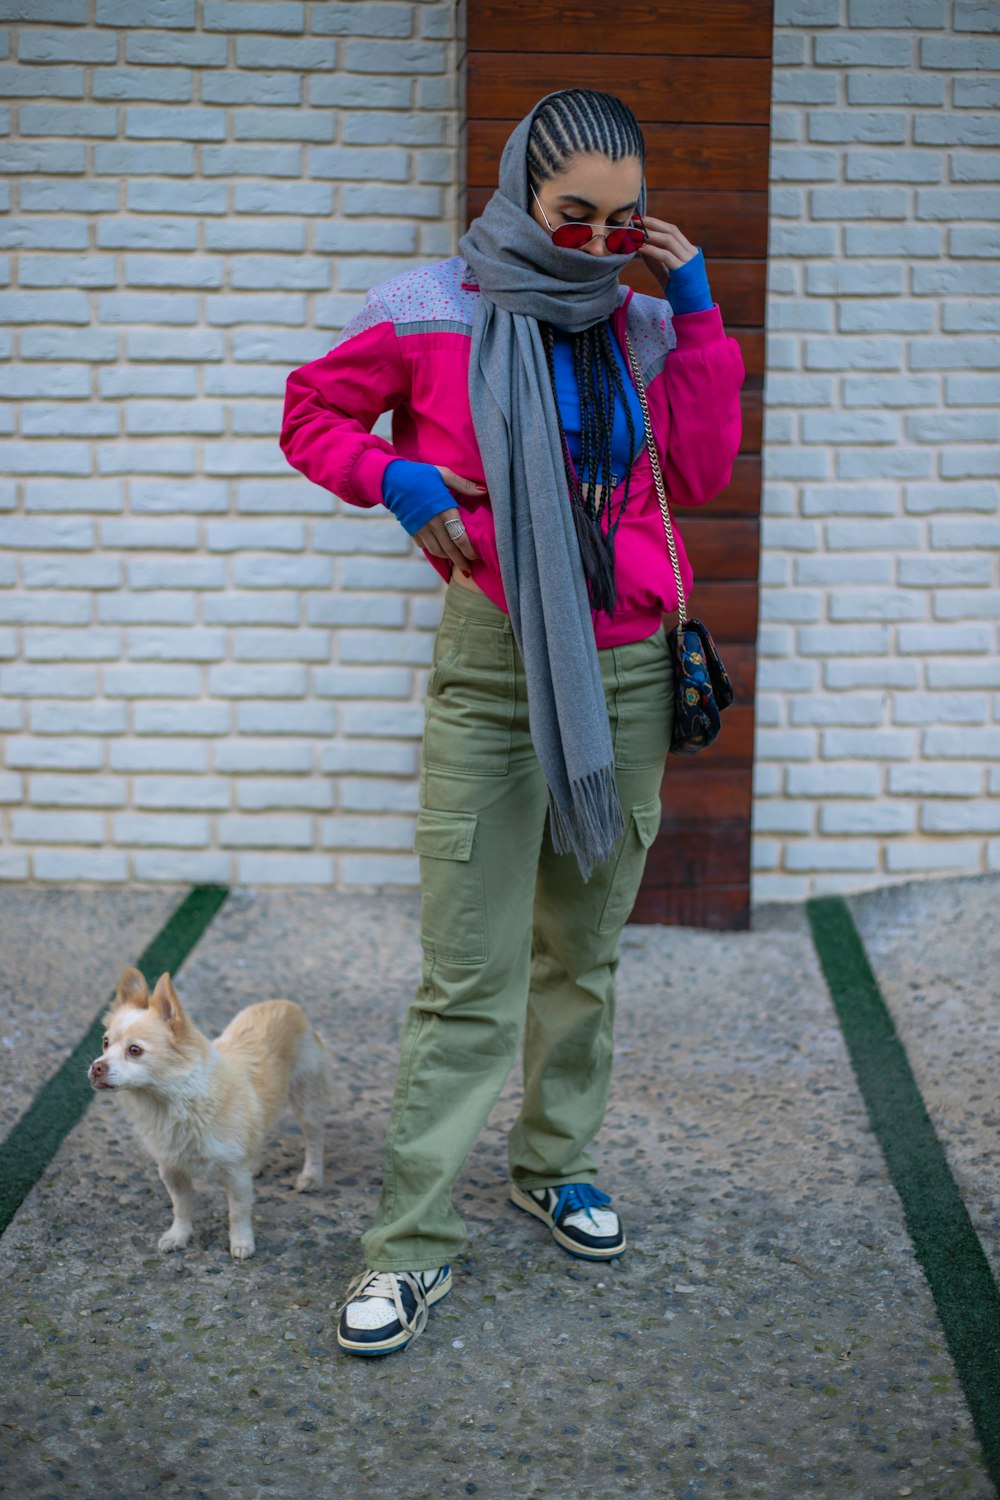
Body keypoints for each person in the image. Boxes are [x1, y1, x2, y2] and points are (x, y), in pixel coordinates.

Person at [279, 88, 745, 1357]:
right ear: (517, 200)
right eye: (571, 216)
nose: (596, 242)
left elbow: (699, 473)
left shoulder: (646, 324)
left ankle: (553, 1163)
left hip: (632, 675)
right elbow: (310, 412)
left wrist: (696, 306)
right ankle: (412, 1246)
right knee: (469, 977)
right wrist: (394, 473)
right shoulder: (430, 307)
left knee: (580, 955)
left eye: (621, 219)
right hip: (495, 671)